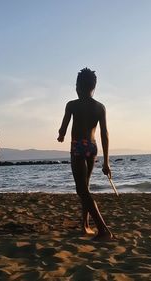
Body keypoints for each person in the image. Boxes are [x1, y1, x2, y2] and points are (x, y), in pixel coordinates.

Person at [57, 67, 113, 241]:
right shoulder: (100, 107)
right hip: (92, 146)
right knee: (85, 188)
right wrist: (106, 162)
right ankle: (85, 225)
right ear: (93, 87)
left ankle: (103, 230)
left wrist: (61, 135)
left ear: (78, 86)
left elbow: (64, 126)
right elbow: (105, 134)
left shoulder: (72, 105)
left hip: (78, 147)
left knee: (81, 189)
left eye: (76, 85)